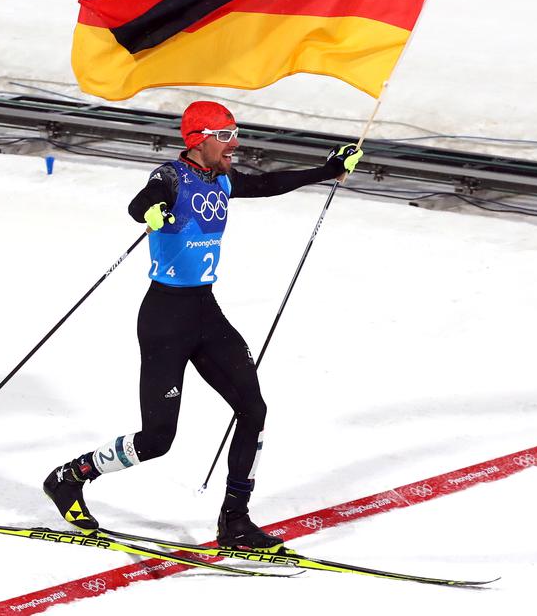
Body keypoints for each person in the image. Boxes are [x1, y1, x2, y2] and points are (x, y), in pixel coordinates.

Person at [43, 99, 362, 551]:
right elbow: (142, 202)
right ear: (199, 140)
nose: (235, 143)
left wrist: (327, 170)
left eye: (235, 133)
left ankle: (235, 520)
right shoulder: (171, 177)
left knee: (254, 409)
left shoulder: (223, 180)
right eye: (226, 135)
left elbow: (268, 183)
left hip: (205, 314)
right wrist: (151, 213)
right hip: (165, 320)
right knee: (157, 440)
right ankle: (71, 477)